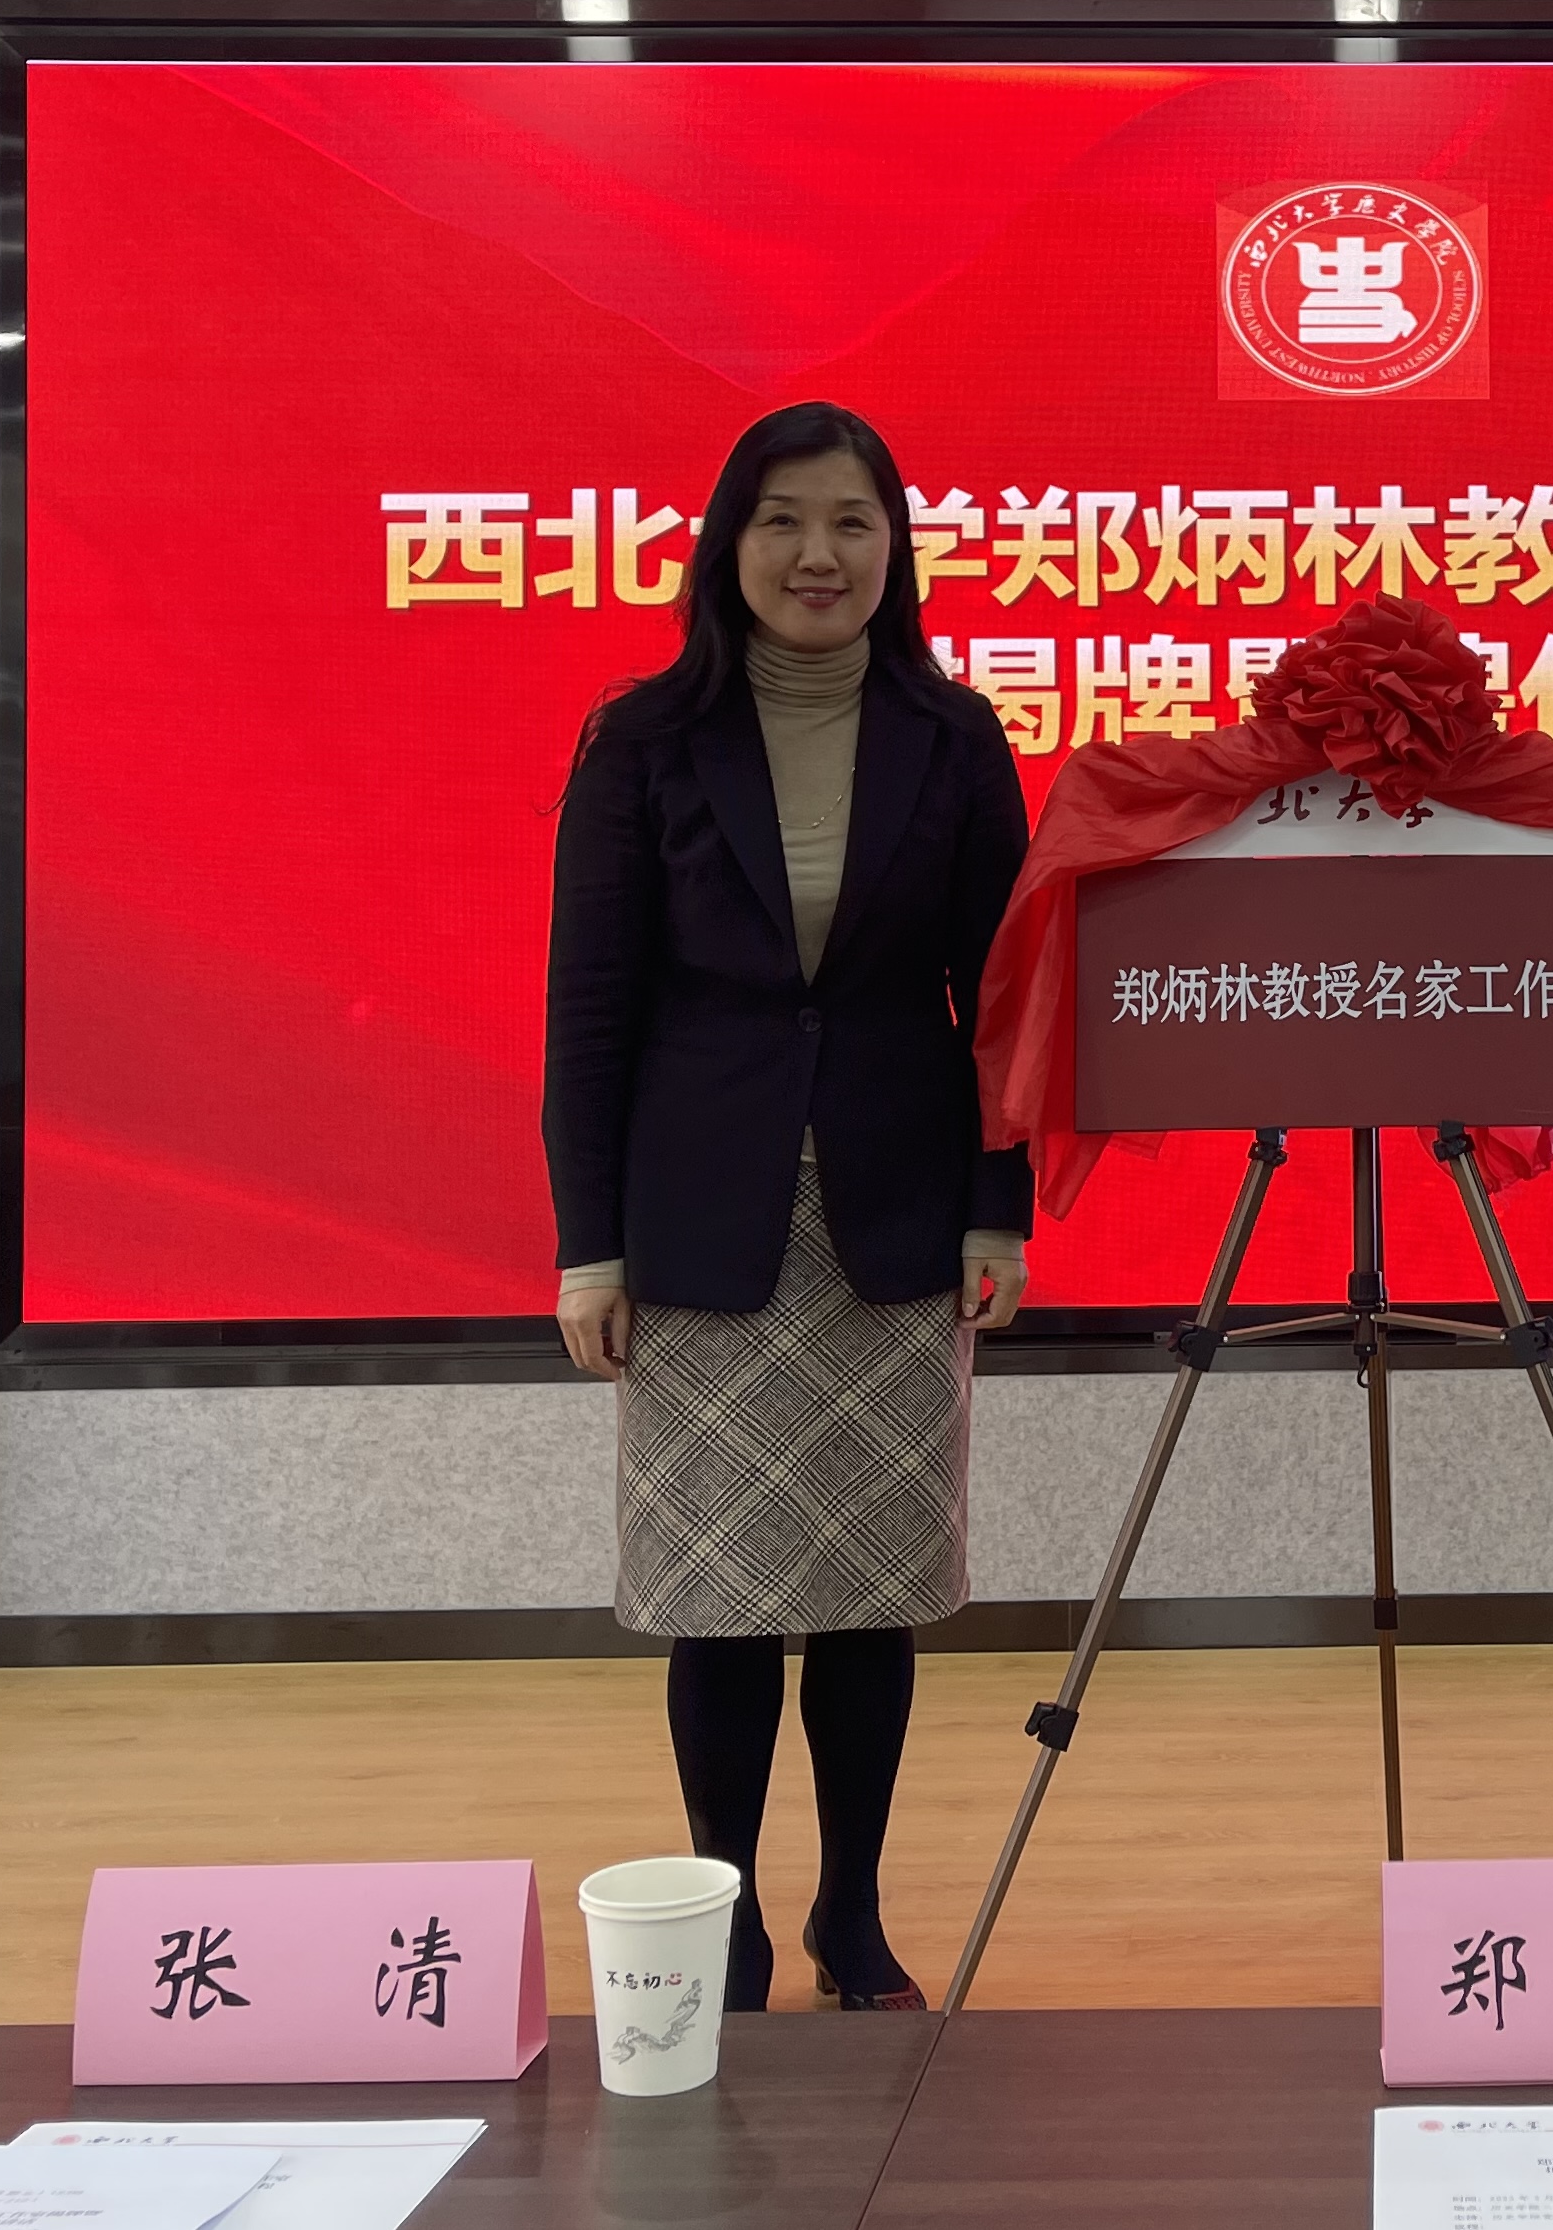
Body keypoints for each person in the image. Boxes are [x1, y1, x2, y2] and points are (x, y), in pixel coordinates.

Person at [543, 399, 1033, 2015]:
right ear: (728, 544)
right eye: (783, 520)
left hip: (896, 1214)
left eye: (852, 523)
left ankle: (854, 1913)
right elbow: (590, 1011)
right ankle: (731, 1909)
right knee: (725, 1595)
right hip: (705, 1221)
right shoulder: (642, 740)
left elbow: (1003, 996)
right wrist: (590, 1244)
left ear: (896, 549)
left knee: (873, 1593)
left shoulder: (954, 738)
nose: (819, 554)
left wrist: (999, 1211)